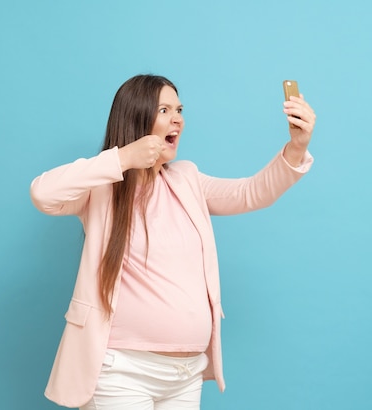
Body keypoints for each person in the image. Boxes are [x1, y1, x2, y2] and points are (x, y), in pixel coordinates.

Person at [30, 74, 316, 409]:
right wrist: (122, 159)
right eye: (164, 109)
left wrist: (297, 147)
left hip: (184, 375)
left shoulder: (187, 179)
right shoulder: (102, 187)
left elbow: (251, 193)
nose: (177, 118)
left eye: (179, 109)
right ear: (136, 118)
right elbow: (43, 193)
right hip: (122, 372)